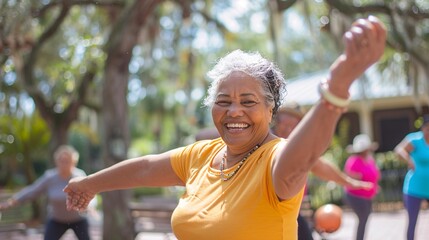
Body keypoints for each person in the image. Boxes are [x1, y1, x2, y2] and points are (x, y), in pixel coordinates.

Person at [64, 16, 386, 240]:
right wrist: (90, 184)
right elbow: (146, 169)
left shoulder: (274, 158)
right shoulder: (202, 155)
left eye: (248, 102)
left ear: (269, 108)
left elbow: (302, 158)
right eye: (223, 101)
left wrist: (337, 88)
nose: (234, 111)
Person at [197, 101, 374, 240]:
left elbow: (319, 165)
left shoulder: (297, 148)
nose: (289, 128)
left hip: (287, 214)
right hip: (255, 213)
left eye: (294, 124)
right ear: (274, 120)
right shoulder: (259, 140)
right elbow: (202, 136)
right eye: (285, 122)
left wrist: (351, 182)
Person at [0, 145, 92, 240]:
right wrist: (11, 202)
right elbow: (32, 190)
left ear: (73, 162)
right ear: (56, 161)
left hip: (78, 220)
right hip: (57, 220)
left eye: (67, 161)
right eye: (61, 160)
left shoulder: (79, 175)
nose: (64, 164)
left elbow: (89, 194)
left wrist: (91, 207)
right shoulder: (50, 177)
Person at [394, 114, 429, 240]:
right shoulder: (415, 140)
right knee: (412, 221)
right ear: (423, 128)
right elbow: (399, 149)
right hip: (414, 188)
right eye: (427, 128)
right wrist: (408, 160)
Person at [343, 134, 381, 240]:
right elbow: (350, 177)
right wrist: (362, 178)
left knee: (364, 219)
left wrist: (375, 186)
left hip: (367, 196)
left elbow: (375, 175)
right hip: (355, 196)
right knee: (363, 218)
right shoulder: (353, 160)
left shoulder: (370, 160)